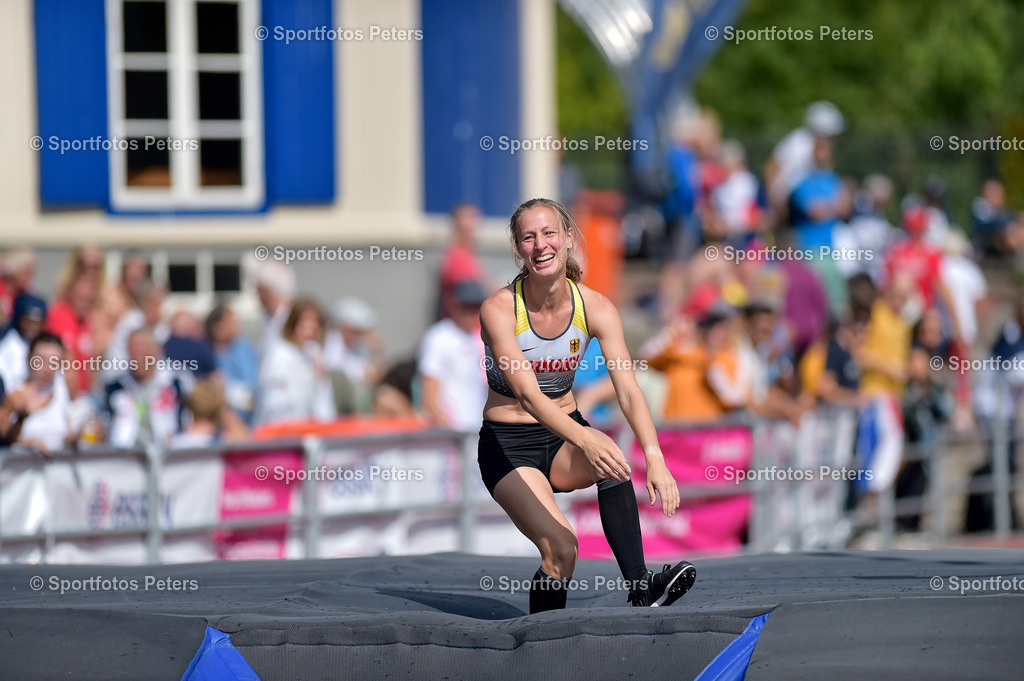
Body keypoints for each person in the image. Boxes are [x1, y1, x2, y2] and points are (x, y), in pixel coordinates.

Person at [479, 198, 695, 614]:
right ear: (518, 248)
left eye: (549, 233)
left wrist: (655, 457)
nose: (540, 245)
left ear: (568, 239)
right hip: (509, 445)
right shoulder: (499, 309)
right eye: (529, 237)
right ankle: (541, 642)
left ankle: (642, 587)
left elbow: (628, 390)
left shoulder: (595, 307)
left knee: (612, 459)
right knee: (562, 550)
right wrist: (585, 437)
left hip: (563, 437)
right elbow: (528, 396)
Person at [418, 280, 489, 432]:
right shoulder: (439, 337)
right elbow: (429, 395)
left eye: (475, 307)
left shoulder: (478, 338)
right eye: (466, 306)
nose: (471, 313)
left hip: (477, 429)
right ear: (454, 305)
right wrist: (447, 429)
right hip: (454, 432)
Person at [103, 327, 188, 448]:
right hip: (125, 455)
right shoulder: (115, 388)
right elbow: (106, 424)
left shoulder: (174, 384)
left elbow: (186, 421)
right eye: (132, 351)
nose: (136, 358)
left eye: (142, 351)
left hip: (168, 452)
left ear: (157, 351)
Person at [254, 298, 335, 425]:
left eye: (313, 327)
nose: (309, 332)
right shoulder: (279, 355)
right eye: (304, 326)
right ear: (293, 324)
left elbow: (321, 402)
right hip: (281, 429)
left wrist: (320, 376)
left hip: (305, 428)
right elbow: (275, 403)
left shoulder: (310, 355)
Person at [7, 333, 82, 455]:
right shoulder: (15, 391)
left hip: (56, 463)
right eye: (40, 360)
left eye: (54, 362)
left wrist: (79, 435)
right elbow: (5, 437)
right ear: (29, 358)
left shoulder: (60, 387)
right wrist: (29, 443)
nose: (47, 368)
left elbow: (67, 432)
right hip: (23, 463)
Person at [206, 303, 259, 423]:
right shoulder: (206, 351)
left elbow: (250, 388)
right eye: (231, 322)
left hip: (245, 417)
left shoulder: (243, 348)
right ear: (217, 327)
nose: (236, 325)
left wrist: (226, 389)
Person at [0, 294, 48, 392]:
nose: (33, 327)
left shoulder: (37, 343)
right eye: (29, 321)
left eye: (38, 323)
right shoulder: (9, 342)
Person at [255, 261, 296, 353]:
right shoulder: (268, 319)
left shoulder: (295, 319)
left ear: (267, 289)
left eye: (259, 289)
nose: (256, 294)